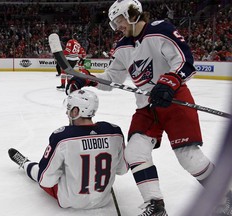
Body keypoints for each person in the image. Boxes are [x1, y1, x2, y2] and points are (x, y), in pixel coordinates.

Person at [65, 0, 222, 215]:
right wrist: (87, 79)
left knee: (189, 157)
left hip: (173, 99)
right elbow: (112, 78)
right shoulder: (122, 47)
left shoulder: (160, 30)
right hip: (146, 108)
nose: (117, 26)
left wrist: (169, 81)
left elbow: (186, 61)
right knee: (134, 152)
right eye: (114, 23)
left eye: (119, 20)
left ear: (132, 14)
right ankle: (155, 205)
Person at [8, 89, 128, 209]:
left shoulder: (62, 137)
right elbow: (122, 170)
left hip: (71, 200)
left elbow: (45, 180)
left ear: (76, 111)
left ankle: (25, 164)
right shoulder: (115, 132)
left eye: (69, 109)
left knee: (41, 173)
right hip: (103, 200)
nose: (67, 113)